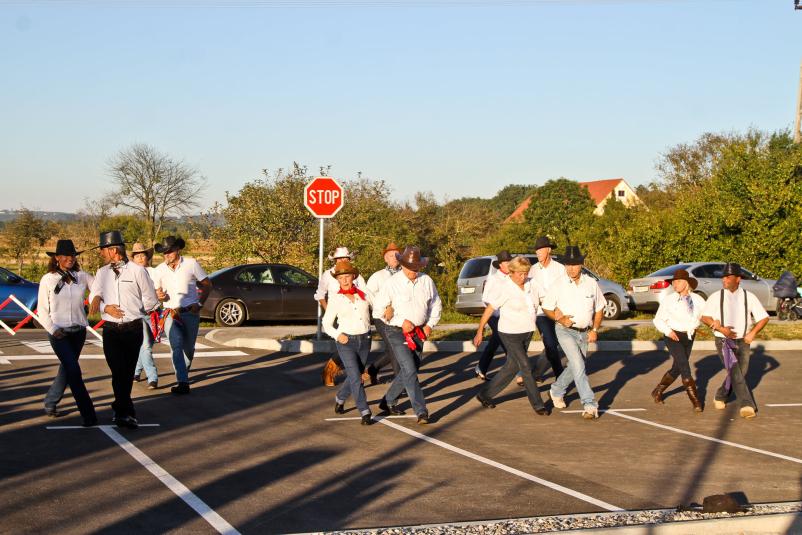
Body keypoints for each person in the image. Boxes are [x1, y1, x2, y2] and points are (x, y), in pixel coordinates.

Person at [89, 231, 159, 429]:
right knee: (117, 370)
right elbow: (94, 298)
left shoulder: (138, 271)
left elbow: (151, 300)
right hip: (111, 329)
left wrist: (136, 309)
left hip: (132, 328)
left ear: (113, 250)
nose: (102, 254)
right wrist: (106, 308)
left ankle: (122, 411)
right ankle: (124, 410)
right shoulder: (102, 273)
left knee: (126, 372)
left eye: (103, 250)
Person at [373, 245, 442, 424]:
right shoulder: (391, 283)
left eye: (417, 268)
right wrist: (399, 320)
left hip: (419, 331)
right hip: (396, 332)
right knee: (410, 370)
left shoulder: (426, 281)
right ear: (402, 265)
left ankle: (388, 401)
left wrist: (429, 325)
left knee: (409, 370)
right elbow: (378, 310)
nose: (414, 271)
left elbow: (436, 304)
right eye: (411, 268)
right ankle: (421, 411)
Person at [473, 256, 548, 416]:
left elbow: (545, 300)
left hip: (527, 332)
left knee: (511, 367)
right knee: (526, 366)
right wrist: (480, 331)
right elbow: (490, 309)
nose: (523, 277)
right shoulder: (505, 288)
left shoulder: (532, 284)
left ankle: (485, 394)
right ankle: (538, 404)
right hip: (509, 333)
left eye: (525, 273)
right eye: (520, 274)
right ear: (512, 272)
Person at [38, 239, 98, 427]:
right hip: (59, 333)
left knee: (67, 368)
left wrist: (96, 297)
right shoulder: (48, 279)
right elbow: (42, 310)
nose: (69, 259)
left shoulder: (81, 276)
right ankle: (88, 414)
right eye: (65, 256)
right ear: (57, 258)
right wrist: (53, 329)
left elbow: (98, 288)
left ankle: (50, 402)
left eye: (72, 255)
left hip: (79, 331)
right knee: (73, 370)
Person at [542, 246, 606, 420]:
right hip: (564, 331)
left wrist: (594, 330)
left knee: (574, 367)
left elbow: (600, 308)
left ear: (581, 264)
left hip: (584, 333)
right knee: (578, 365)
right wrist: (560, 319)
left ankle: (556, 390)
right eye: (567, 264)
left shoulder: (591, 284)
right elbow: (547, 307)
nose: (570, 268)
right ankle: (590, 404)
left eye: (574, 264)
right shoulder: (559, 284)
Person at [700, 262, 769, 419]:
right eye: (723, 277)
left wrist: (752, 334)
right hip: (723, 341)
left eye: (728, 277)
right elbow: (704, 316)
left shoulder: (749, 297)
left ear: (738, 279)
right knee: (736, 372)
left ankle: (720, 395)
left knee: (740, 373)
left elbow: (764, 317)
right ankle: (747, 404)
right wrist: (718, 327)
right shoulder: (716, 296)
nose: (724, 279)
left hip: (743, 340)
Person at [153, 236, 211, 395]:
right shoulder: (159, 270)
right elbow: (157, 292)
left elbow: (207, 285)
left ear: (178, 249)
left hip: (190, 313)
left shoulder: (191, 264)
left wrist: (199, 304)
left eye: (170, 251)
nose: (167, 254)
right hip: (170, 313)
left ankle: (183, 371)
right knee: (176, 345)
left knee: (189, 349)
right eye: (164, 252)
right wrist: (160, 296)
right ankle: (183, 381)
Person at [322, 259, 374, 425]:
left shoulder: (364, 294)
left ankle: (340, 397)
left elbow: (378, 308)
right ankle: (365, 411)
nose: (344, 279)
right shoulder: (336, 299)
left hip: (365, 339)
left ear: (353, 276)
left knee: (355, 376)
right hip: (346, 342)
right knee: (355, 377)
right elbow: (326, 324)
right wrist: (338, 335)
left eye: (347, 276)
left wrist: (388, 310)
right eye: (340, 277)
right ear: (337, 279)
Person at [651, 269, 706, 412]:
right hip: (672, 336)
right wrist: (668, 331)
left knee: (677, 368)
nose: (675, 284)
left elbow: (706, 315)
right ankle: (696, 401)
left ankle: (658, 390)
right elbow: (658, 320)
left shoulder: (698, 300)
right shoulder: (669, 299)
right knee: (684, 366)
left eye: (679, 281)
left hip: (689, 336)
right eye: (674, 282)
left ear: (687, 283)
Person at [316, 247, 368, 386]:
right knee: (345, 343)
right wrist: (329, 311)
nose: (342, 260)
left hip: (356, 314)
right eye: (339, 258)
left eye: (345, 258)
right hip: (340, 313)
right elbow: (320, 294)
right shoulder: (328, 274)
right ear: (334, 260)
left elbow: (366, 294)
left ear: (349, 259)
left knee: (353, 347)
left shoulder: (356, 275)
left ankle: (353, 375)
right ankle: (331, 371)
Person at [527, 237, 565, 381]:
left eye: (540, 249)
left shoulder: (560, 269)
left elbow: (565, 289)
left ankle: (536, 373)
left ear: (549, 250)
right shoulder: (532, 270)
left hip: (559, 311)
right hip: (541, 312)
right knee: (550, 343)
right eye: (536, 250)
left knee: (554, 344)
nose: (538, 252)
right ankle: (560, 377)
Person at [364, 242, 402, 385]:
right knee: (394, 346)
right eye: (391, 255)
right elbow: (369, 295)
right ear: (385, 259)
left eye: (397, 255)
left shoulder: (405, 274)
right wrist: (385, 307)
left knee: (397, 347)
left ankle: (373, 370)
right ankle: (400, 382)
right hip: (382, 318)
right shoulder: (378, 276)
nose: (394, 258)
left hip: (400, 318)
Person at [473, 250, 512, 381]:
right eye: (506, 262)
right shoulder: (493, 279)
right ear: (500, 264)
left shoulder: (512, 277)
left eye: (510, 261)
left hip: (507, 316)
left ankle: (481, 368)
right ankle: (518, 370)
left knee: (495, 341)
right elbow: (485, 298)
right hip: (494, 315)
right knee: (505, 340)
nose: (509, 264)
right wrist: (496, 308)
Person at [131, 243, 160, 389]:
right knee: (146, 345)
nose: (141, 258)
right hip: (138, 314)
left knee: (147, 345)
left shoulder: (154, 272)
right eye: (137, 256)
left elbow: (160, 289)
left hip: (154, 312)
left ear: (147, 257)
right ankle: (152, 377)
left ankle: (135, 372)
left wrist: (161, 294)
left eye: (143, 255)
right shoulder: (131, 274)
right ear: (133, 259)